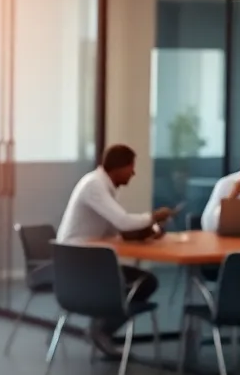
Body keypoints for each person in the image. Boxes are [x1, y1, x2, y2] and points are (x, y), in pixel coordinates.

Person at [57, 144, 173, 354]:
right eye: (131, 167)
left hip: (86, 259)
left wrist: (148, 230)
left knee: (141, 282)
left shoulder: (103, 187)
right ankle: (101, 328)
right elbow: (123, 221)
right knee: (143, 282)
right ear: (119, 167)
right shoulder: (94, 185)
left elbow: (117, 229)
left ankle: (101, 327)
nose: (134, 173)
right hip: (78, 263)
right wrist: (154, 216)